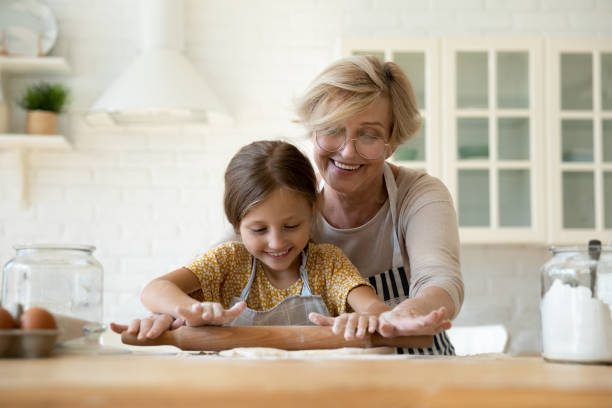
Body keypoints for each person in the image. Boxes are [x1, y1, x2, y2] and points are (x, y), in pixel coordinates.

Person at [112, 140, 406, 341]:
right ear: (236, 224)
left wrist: (367, 318)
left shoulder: (326, 264)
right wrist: (187, 310)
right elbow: (155, 289)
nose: (277, 242)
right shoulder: (227, 261)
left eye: (291, 225)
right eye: (259, 230)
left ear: (312, 211)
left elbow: (373, 308)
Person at [293, 55, 463, 355]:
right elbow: (216, 266)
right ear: (312, 130)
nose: (347, 151)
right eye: (332, 129)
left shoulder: (419, 194)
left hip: (423, 382)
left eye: (369, 135)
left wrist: (408, 312)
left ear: (392, 142)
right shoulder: (286, 206)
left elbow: (439, 277)